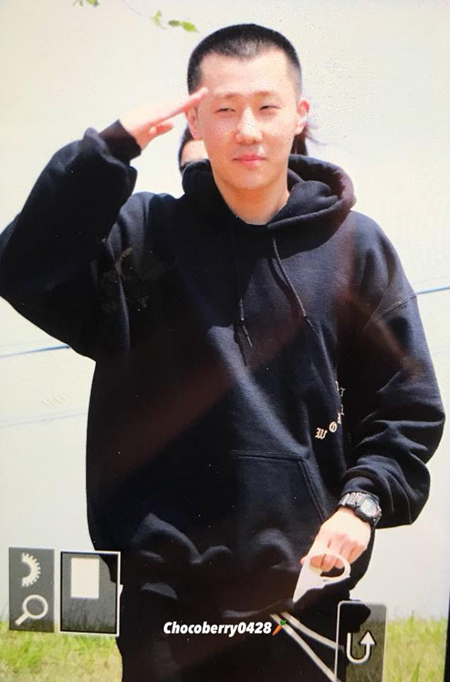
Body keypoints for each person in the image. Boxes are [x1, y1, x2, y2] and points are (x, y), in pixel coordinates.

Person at [0, 23, 444, 682]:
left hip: (307, 594)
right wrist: (107, 151)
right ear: (195, 121)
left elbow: (407, 409)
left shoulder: (356, 247)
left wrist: (363, 504)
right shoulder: (141, 235)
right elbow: (23, 268)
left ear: (299, 115)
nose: (248, 129)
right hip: (163, 603)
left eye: (267, 107)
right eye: (226, 109)